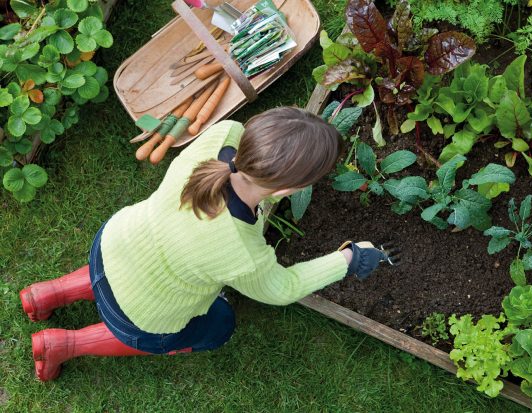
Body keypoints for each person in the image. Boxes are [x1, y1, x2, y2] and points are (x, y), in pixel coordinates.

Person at [20, 107, 397, 381]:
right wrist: (348, 258)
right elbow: (284, 288)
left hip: (113, 244)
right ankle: (64, 345)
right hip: (139, 315)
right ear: (286, 191)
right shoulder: (242, 252)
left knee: (131, 267)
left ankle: (47, 293)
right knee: (219, 324)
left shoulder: (222, 136)